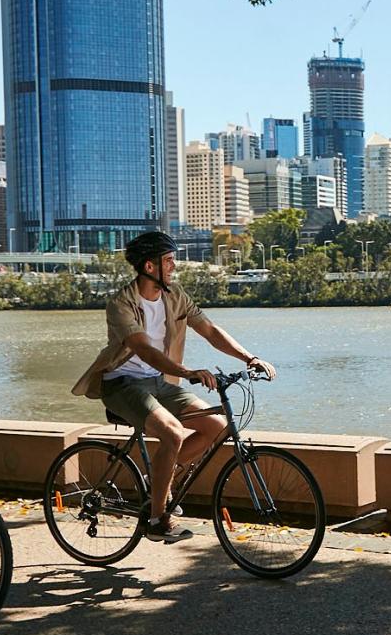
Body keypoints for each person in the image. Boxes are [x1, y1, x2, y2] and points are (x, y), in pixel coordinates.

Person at [72, 232, 275, 542]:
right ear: (149, 266)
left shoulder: (175, 295)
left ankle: (158, 481)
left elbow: (210, 330)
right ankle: (156, 519)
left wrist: (250, 357)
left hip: (160, 383)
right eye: (168, 261)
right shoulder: (121, 304)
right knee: (172, 433)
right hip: (123, 384)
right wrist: (188, 371)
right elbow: (144, 350)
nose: (174, 266)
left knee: (218, 428)